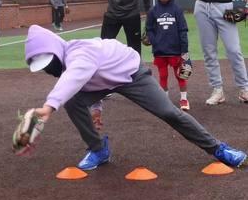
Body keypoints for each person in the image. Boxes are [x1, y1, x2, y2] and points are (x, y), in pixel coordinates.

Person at [24, 24, 247, 171]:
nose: (48, 70)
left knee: (169, 112)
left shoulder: (79, 54)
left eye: (48, 64)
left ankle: (218, 148)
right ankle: (98, 149)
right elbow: (83, 81)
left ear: (55, 50)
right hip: (105, 79)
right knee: (73, 102)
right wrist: (96, 108)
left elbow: (75, 76)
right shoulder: (67, 61)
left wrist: (48, 107)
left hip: (131, 75)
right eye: (44, 68)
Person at [91, 0, 151, 128]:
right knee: (103, 48)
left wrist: (149, 13)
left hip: (131, 13)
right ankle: (104, 85)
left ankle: (139, 83)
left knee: (134, 50)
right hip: (112, 13)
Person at [146, 0, 191, 111]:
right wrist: (155, 42)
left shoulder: (177, 10)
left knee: (181, 76)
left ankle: (184, 99)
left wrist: (184, 50)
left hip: (175, 51)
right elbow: (149, 28)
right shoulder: (153, 11)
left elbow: (183, 30)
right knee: (163, 76)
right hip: (160, 52)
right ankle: (165, 100)